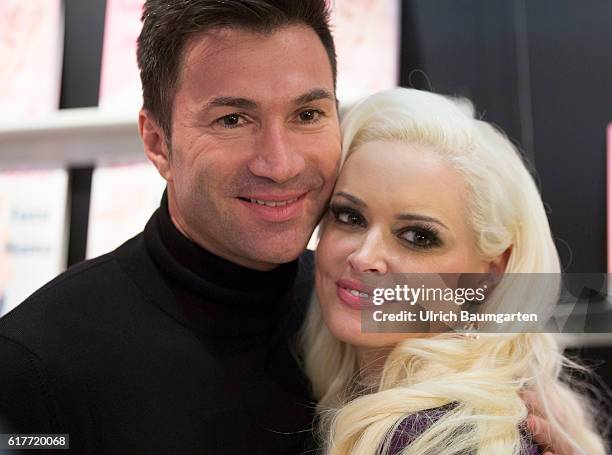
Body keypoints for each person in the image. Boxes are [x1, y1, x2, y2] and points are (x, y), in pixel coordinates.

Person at [0, 1, 574, 454]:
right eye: (232, 118)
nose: (280, 163)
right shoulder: (37, 364)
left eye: (306, 114)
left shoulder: (359, 306)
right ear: (157, 141)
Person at [301, 88, 608, 454]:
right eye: (350, 216)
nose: (365, 256)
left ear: (492, 270)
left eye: (417, 236)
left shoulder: (434, 437)